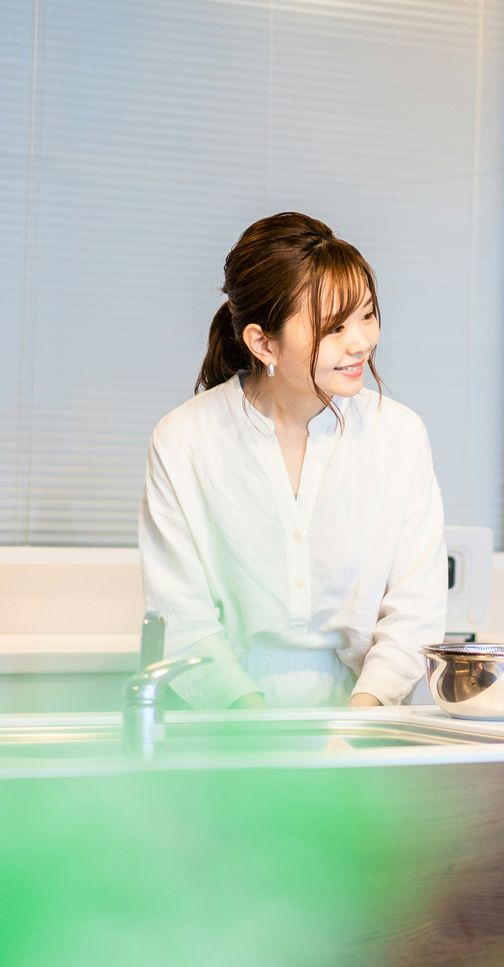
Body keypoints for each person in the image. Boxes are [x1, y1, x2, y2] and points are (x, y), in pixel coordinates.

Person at [138, 213, 446, 709]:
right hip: (227, 727)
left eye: (368, 315)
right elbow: (182, 618)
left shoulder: (399, 435)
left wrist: (357, 725)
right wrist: (262, 736)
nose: (362, 342)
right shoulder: (186, 439)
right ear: (263, 343)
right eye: (335, 327)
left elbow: (416, 610)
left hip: (368, 724)